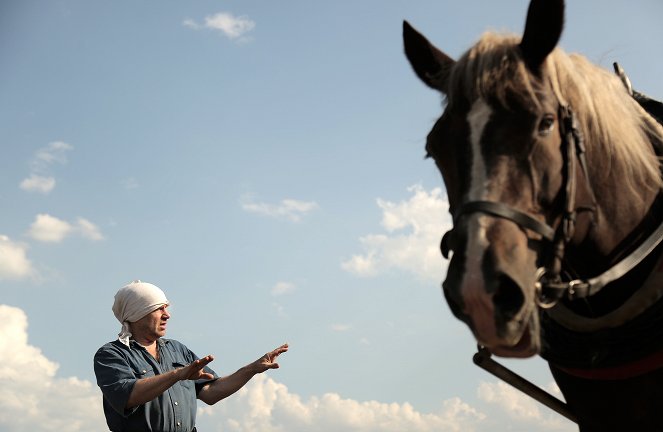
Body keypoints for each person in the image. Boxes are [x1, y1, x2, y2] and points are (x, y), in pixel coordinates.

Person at [94, 280, 288, 432]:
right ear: (137, 313)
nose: (167, 315)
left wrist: (251, 369)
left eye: (166, 308)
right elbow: (127, 396)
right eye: (159, 308)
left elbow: (211, 392)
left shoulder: (178, 350)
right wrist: (177, 375)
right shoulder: (111, 355)